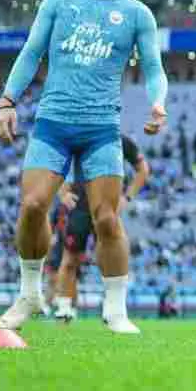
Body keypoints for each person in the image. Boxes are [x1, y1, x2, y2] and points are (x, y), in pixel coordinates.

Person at [0, 0, 168, 335]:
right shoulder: (59, 2)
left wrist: (158, 103)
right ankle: (30, 292)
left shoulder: (137, 14)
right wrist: (6, 102)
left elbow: (155, 69)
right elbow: (31, 52)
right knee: (33, 206)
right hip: (53, 124)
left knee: (107, 218)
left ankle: (116, 310)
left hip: (100, 130)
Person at [51, 134, 151, 322]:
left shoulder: (121, 140)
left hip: (107, 206)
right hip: (80, 205)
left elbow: (143, 169)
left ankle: (112, 307)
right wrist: (62, 192)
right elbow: (56, 163)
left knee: (109, 258)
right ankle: (64, 309)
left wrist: (126, 198)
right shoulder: (80, 136)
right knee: (71, 257)